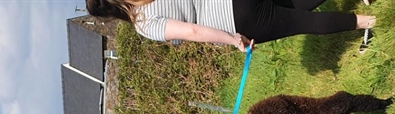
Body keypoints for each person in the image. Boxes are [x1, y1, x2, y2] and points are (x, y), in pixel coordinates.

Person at [85, 0, 375, 50]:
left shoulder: (144, 25)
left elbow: (193, 31)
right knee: (292, 4)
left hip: (235, 20)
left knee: (303, 21)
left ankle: (368, 23)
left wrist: (232, 40)